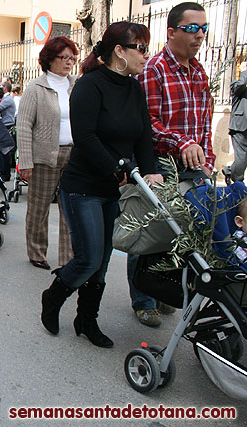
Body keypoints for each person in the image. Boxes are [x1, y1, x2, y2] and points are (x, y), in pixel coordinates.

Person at [40, 21, 163, 348]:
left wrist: (150, 170)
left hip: (114, 189)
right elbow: (85, 136)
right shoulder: (90, 86)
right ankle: (52, 297)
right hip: (82, 187)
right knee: (89, 258)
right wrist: (115, 167)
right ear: (118, 51)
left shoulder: (134, 88)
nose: (145, 55)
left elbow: (143, 136)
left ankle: (86, 319)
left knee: (103, 262)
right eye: (140, 48)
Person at [131, 1, 213, 327]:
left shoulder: (200, 71)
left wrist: (205, 153)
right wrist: (183, 142)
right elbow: (147, 123)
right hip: (161, 163)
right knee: (150, 232)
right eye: (192, 28)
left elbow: (204, 121)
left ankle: (166, 288)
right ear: (172, 32)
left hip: (195, 166)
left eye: (204, 29)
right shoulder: (154, 70)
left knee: (184, 234)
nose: (200, 35)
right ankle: (144, 298)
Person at [18, 36, 78, 271]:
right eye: (64, 57)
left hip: (73, 155)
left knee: (70, 209)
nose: (69, 62)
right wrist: (26, 161)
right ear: (50, 59)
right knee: (39, 208)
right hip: (44, 157)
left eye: (72, 58)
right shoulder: (36, 88)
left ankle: (68, 259)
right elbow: (23, 126)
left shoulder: (76, 84)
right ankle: (36, 251)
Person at [224, 62, 247, 182]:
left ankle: (229, 171)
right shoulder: (236, 85)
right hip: (240, 127)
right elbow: (242, 82)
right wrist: (244, 70)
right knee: (242, 157)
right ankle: (238, 184)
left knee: (243, 159)